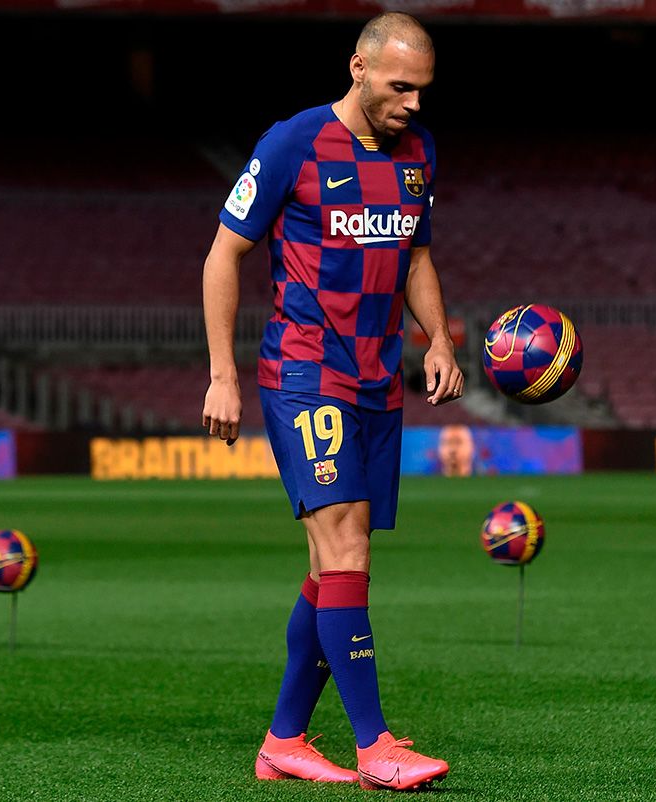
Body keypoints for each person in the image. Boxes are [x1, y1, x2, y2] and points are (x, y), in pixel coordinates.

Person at [200, 13, 461, 792]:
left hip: (379, 380)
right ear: (358, 67)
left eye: (423, 89)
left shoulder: (419, 153)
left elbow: (415, 254)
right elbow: (224, 253)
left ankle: (283, 740)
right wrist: (222, 371)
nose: (414, 103)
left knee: (331, 569)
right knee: (347, 551)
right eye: (399, 86)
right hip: (306, 373)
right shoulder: (295, 142)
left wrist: (439, 339)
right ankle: (375, 746)